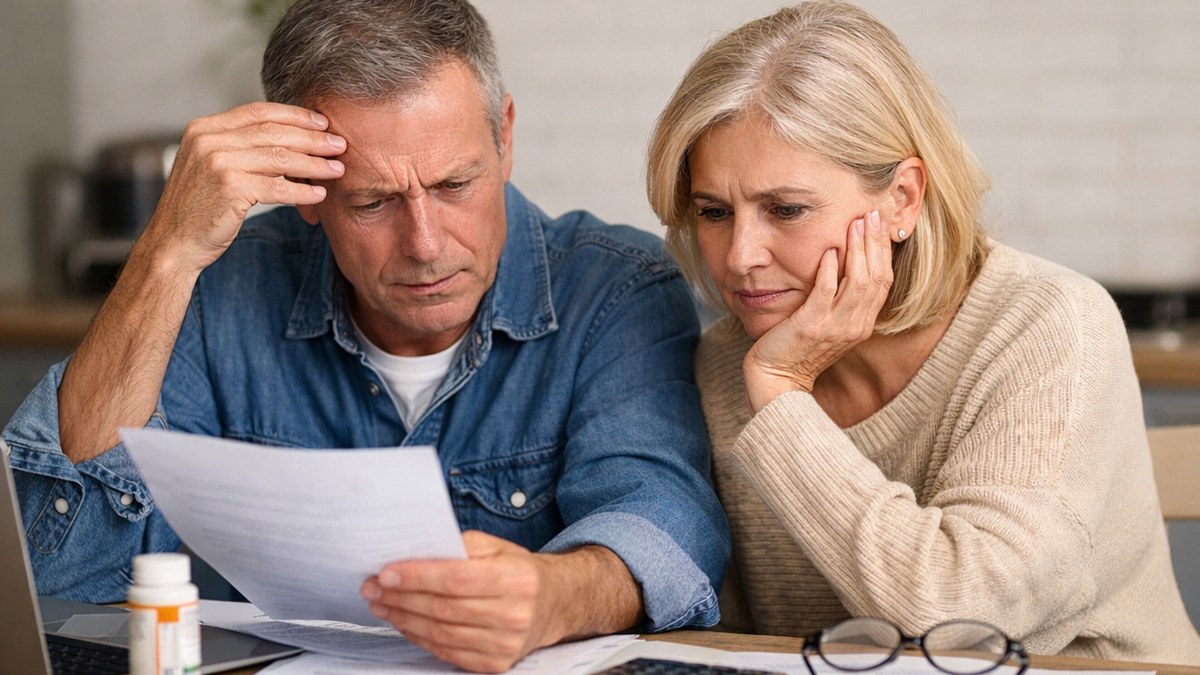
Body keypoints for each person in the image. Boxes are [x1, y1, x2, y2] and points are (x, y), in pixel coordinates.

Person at [2, 0, 729, 671]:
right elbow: (62, 578)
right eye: (373, 202)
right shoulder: (218, 286)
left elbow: (661, 520)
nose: (426, 245)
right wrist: (165, 254)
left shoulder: (615, 289)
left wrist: (556, 595)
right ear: (305, 191)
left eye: (455, 185)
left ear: (505, 136)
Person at [645, 0, 1200, 666]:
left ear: (902, 199)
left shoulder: (1050, 326)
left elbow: (962, 621)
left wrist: (784, 393)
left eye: (785, 209)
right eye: (713, 212)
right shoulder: (722, 365)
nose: (740, 256)